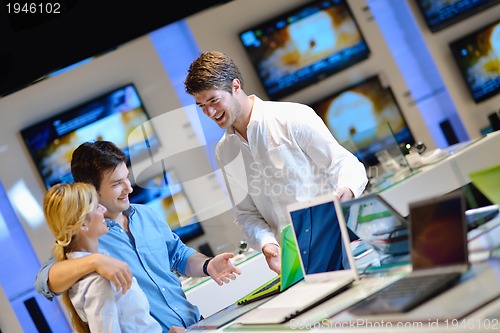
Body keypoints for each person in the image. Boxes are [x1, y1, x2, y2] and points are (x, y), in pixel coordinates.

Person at [184, 51, 368, 274]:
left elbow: (346, 165)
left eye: (213, 100)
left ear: (235, 86)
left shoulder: (292, 117)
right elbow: (246, 214)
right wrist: (266, 243)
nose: (210, 112)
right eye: (201, 105)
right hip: (295, 260)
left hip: (339, 241)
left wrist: (346, 190)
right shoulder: (225, 151)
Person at [35, 141, 241, 332]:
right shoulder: (88, 239)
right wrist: (96, 260)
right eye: (117, 183)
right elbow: (45, 281)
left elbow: (178, 254)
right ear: (92, 190)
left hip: (195, 323)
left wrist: (207, 265)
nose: (129, 188)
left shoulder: (145, 214)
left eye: (126, 177)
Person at [43, 182, 162, 332]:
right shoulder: (99, 280)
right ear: (83, 224)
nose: (104, 209)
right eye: (97, 206)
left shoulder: (99, 263)